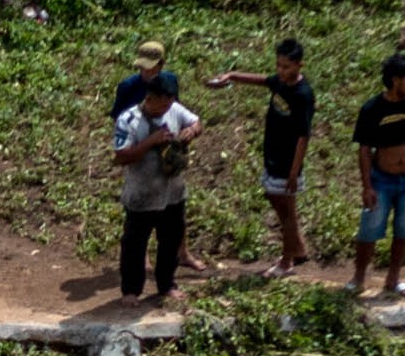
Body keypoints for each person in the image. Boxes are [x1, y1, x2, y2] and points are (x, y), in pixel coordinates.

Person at [210, 38, 316, 268]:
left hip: (288, 163)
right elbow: (262, 80)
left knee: (286, 213)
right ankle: (297, 249)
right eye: (278, 65)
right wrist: (233, 75)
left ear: (300, 65)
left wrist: (294, 172)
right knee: (278, 203)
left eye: (286, 66)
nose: (280, 71)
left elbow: (303, 137)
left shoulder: (302, 95)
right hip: (273, 156)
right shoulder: (280, 83)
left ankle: (286, 262)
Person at [349, 51, 405, 299]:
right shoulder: (372, 109)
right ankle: (358, 278)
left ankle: (393, 279)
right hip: (382, 180)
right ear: (394, 80)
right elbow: (365, 150)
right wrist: (367, 185)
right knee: (369, 230)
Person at [112, 68, 198, 302]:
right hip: (142, 194)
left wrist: (191, 131)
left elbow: (196, 122)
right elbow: (121, 156)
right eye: (162, 105)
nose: (166, 110)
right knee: (135, 245)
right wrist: (151, 141)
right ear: (149, 98)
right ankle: (131, 291)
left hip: (172, 193)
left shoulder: (175, 110)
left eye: (169, 104)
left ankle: (166, 285)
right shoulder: (129, 119)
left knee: (170, 241)